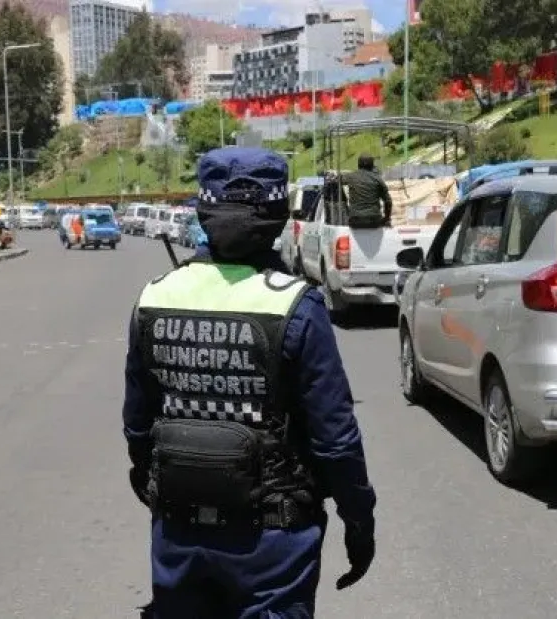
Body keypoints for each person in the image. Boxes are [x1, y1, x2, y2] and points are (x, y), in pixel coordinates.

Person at [122, 146, 377, 619]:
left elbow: (138, 426)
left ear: (203, 210)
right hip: (274, 542)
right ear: (280, 218)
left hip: (180, 532)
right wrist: (359, 518)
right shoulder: (297, 307)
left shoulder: (155, 297)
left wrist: (154, 487)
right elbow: (335, 440)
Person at [342, 153, 393, 228]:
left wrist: (318, 181)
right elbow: (388, 202)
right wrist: (387, 218)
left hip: (355, 221)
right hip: (374, 221)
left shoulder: (351, 176)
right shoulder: (378, 179)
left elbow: (335, 181)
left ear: (358, 165)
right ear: (372, 165)